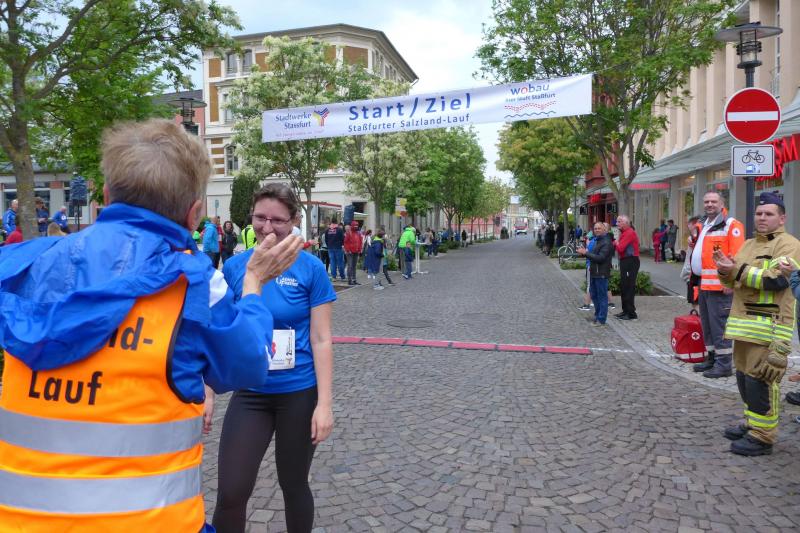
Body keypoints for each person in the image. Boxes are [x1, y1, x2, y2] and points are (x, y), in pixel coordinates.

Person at [0, 118, 302, 530]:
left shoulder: (26, 265)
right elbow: (249, 363)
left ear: (107, 196)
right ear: (194, 214)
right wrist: (253, 284)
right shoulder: (194, 284)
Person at [213, 182, 335, 532]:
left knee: (293, 484)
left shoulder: (311, 269)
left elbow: (321, 338)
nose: (267, 228)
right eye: (260, 218)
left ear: (294, 221)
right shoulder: (236, 268)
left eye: (278, 220)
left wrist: (324, 405)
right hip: (251, 392)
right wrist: (206, 391)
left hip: (298, 392)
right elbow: (219, 332)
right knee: (231, 491)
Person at [715, 192, 800, 456]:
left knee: (761, 381)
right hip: (743, 324)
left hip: (769, 327)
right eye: (759, 213)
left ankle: (763, 436)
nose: (762, 218)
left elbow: (776, 281)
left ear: (782, 218)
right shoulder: (748, 245)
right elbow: (733, 282)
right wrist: (724, 270)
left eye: (769, 214)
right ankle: (752, 423)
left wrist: (736, 271)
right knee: (744, 378)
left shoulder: (790, 245)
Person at [690, 192, 744, 379]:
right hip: (704, 284)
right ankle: (712, 358)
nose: (709, 204)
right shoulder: (704, 224)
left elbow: (737, 256)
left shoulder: (731, 225)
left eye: (714, 201)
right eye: (706, 201)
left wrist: (732, 281)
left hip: (721, 286)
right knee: (708, 326)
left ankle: (724, 364)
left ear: (722, 204)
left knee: (719, 326)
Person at [578, 222, 613, 326]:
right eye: (595, 228)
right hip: (594, 272)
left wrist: (586, 253)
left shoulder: (606, 242)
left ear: (604, 230)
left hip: (601, 273)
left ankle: (601, 319)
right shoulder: (597, 240)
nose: (597, 230)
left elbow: (601, 258)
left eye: (599, 228)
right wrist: (584, 253)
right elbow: (592, 255)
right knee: (594, 295)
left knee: (602, 297)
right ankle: (598, 315)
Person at [613, 214, 639, 320]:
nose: (617, 223)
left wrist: (616, 242)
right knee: (624, 286)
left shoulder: (629, 232)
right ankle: (625, 311)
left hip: (630, 261)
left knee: (628, 287)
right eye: (617, 221)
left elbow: (620, 248)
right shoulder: (624, 233)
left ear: (626, 223)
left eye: (619, 221)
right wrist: (616, 243)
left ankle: (631, 313)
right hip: (626, 261)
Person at [680, 215, 703, 311]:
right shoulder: (694, 237)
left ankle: (698, 317)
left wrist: (686, 273)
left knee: (696, 302)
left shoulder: (696, 237)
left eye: (689, 225)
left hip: (693, 275)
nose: (688, 227)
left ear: (694, 224)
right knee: (696, 301)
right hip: (693, 274)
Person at [325, 216, 345, 281]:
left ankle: (334, 277)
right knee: (340, 262)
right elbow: (343, 238)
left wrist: (328, 245)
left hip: (330, 248)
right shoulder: (339, 230)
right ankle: (342, 276)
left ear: (331, 222)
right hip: (338, 248)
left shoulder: (327, 230)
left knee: (332, 263)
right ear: (336, 222)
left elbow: (326, 239)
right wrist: (342, 245)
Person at [343, 221, 363, 286]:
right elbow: (345, 242)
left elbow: (360, 242)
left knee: (354, 266)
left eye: (357, 225)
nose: (356, 227)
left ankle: (354, 280)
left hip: (356, 252)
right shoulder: (349, 233)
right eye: (355, 225)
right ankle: (350, 280)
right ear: (352, 226)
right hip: (350, 252)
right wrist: (348, 250)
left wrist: (360, 250)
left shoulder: (358, 233)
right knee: (350, 266)